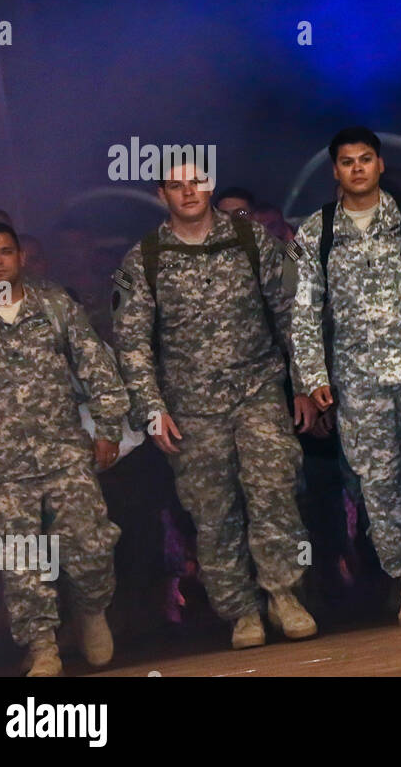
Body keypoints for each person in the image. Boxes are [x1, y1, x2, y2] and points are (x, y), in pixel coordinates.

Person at [112, 160, 318, 649]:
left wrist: (306, 382)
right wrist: (151, 408)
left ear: (209, 186)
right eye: (176, 186)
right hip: (191, 408)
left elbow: (292, 308)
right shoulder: (140, 260)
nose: (188, 193)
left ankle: (284, 595)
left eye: (196, 183)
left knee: (273, 491)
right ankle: (241, 611)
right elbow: (131, 342)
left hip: (258, 389)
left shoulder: (250, 238)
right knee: (213, 513)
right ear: (162, 194)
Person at [290, 127, 401, 625]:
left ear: (381, 164)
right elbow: (303, 311)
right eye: (347, 162)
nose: (357, 169)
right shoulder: (313, 232)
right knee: (379, 481)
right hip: (356, 376)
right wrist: (312, 375)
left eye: (365, 159)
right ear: (335, 171)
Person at [0, 222, 128, 676]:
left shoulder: (54, 305)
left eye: (6, 251)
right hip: (2, 464)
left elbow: (98, 368)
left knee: (90, 546)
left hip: (65, 453)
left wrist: (108, 426)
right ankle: (42, 645)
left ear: (20, 257)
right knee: (18, 561)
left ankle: (91, 614)